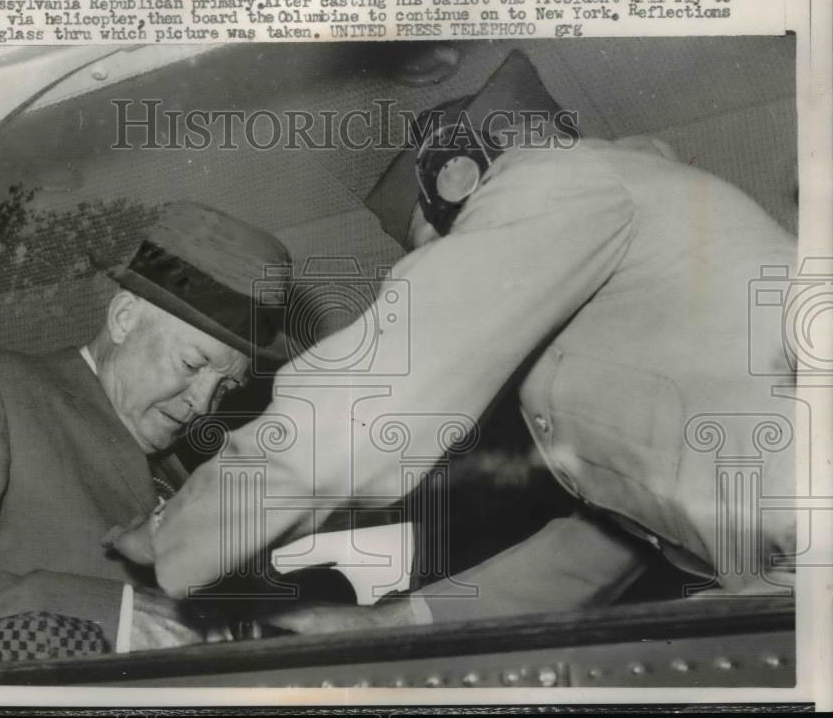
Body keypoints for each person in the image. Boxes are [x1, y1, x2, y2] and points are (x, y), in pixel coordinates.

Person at [110, 50, 798, 631]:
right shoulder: (632, 295)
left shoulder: (561, 179)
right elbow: (614, 540)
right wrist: (395, 624)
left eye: (429, 246)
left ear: (459, 181)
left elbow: (373, 407)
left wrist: (181, 533)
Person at [0, 202, 292, 652]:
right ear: (124, 318)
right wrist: (116, 615)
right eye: (191, 363)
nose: (203, 404)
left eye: (226, 387)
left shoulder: (187, 475)